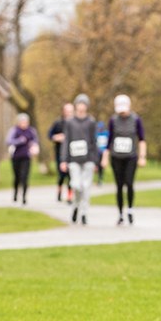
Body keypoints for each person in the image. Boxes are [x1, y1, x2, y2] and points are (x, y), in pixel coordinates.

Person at [102, 94, 147, 225]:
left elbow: (142, 139)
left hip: (131, 157)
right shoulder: (113, 120)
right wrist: (104, 159)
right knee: (119, 186)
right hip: (116, 157)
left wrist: (142, 157)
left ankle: (130, 210)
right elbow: (108, 141)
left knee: (129, 183)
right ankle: (120, 213)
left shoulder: (136, 119)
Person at [59, 94, 99, 226]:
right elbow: (66, 141)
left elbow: (94, 142)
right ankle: (76, 206)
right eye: (79, 104)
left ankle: (84, 213)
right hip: (74, 159)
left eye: (84, 104)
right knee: (76, 185)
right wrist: (64, 160)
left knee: (86, 187)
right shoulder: (70, 122)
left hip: (88, 159)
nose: (81, 107)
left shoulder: (91, 122)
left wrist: (95, 161)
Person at [5, 113, 40, 205]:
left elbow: (35, 141)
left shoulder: (31, 131)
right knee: (17, 177)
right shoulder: (14, 130)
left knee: (25, 177)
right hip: (16, 157)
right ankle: (16, 193)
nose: (24, 124)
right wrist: (19, 141)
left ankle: (24, 197)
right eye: (22, 122)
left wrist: (34, 146)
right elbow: (8, 141)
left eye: (26, 122)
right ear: (19, 122)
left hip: (26, 157)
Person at [48, 103, 74, 202]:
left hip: (72, 153)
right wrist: (57, 137)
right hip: (60, 153)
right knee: (62, 175)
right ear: (63, 112)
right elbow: (50, 135)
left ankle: (69, 196)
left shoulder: (75, 123)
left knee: (71, 175)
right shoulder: (58, 123)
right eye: (67, 111)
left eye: (71, 111)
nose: (69, 113)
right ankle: (59, 191)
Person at [95, 119, 109, 186]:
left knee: (101, 166)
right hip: (97, 153)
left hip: (104, 153)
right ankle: (97, 179)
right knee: (96, 166)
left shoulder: (106, 133)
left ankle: (100, 179)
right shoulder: (96, 134)